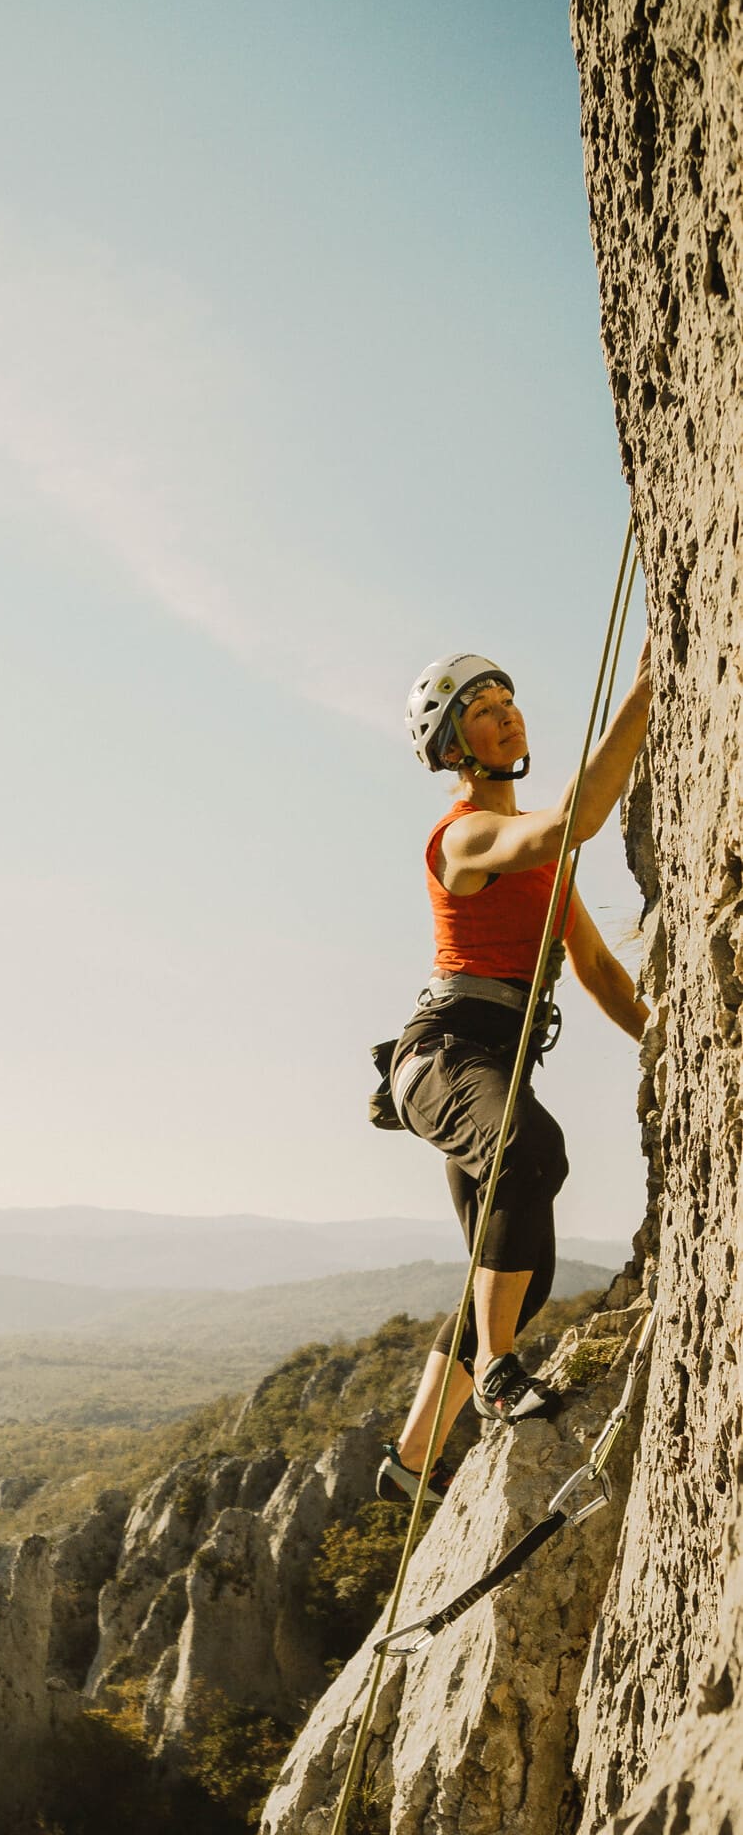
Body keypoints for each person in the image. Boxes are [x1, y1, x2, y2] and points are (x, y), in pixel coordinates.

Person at [376, 637, 652, 1508]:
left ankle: (411, 1457)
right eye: (483, 712)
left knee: (517, 1266)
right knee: (530, 1154)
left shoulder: (541, 865)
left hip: (489, 1063)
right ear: (454, 748)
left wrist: (661, 1041)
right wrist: (647, 688)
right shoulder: (463, 835)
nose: (507, 716)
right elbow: (572, 818)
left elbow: (602, 972)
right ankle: (496, 1373)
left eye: (508, 702)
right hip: (445, 1054)